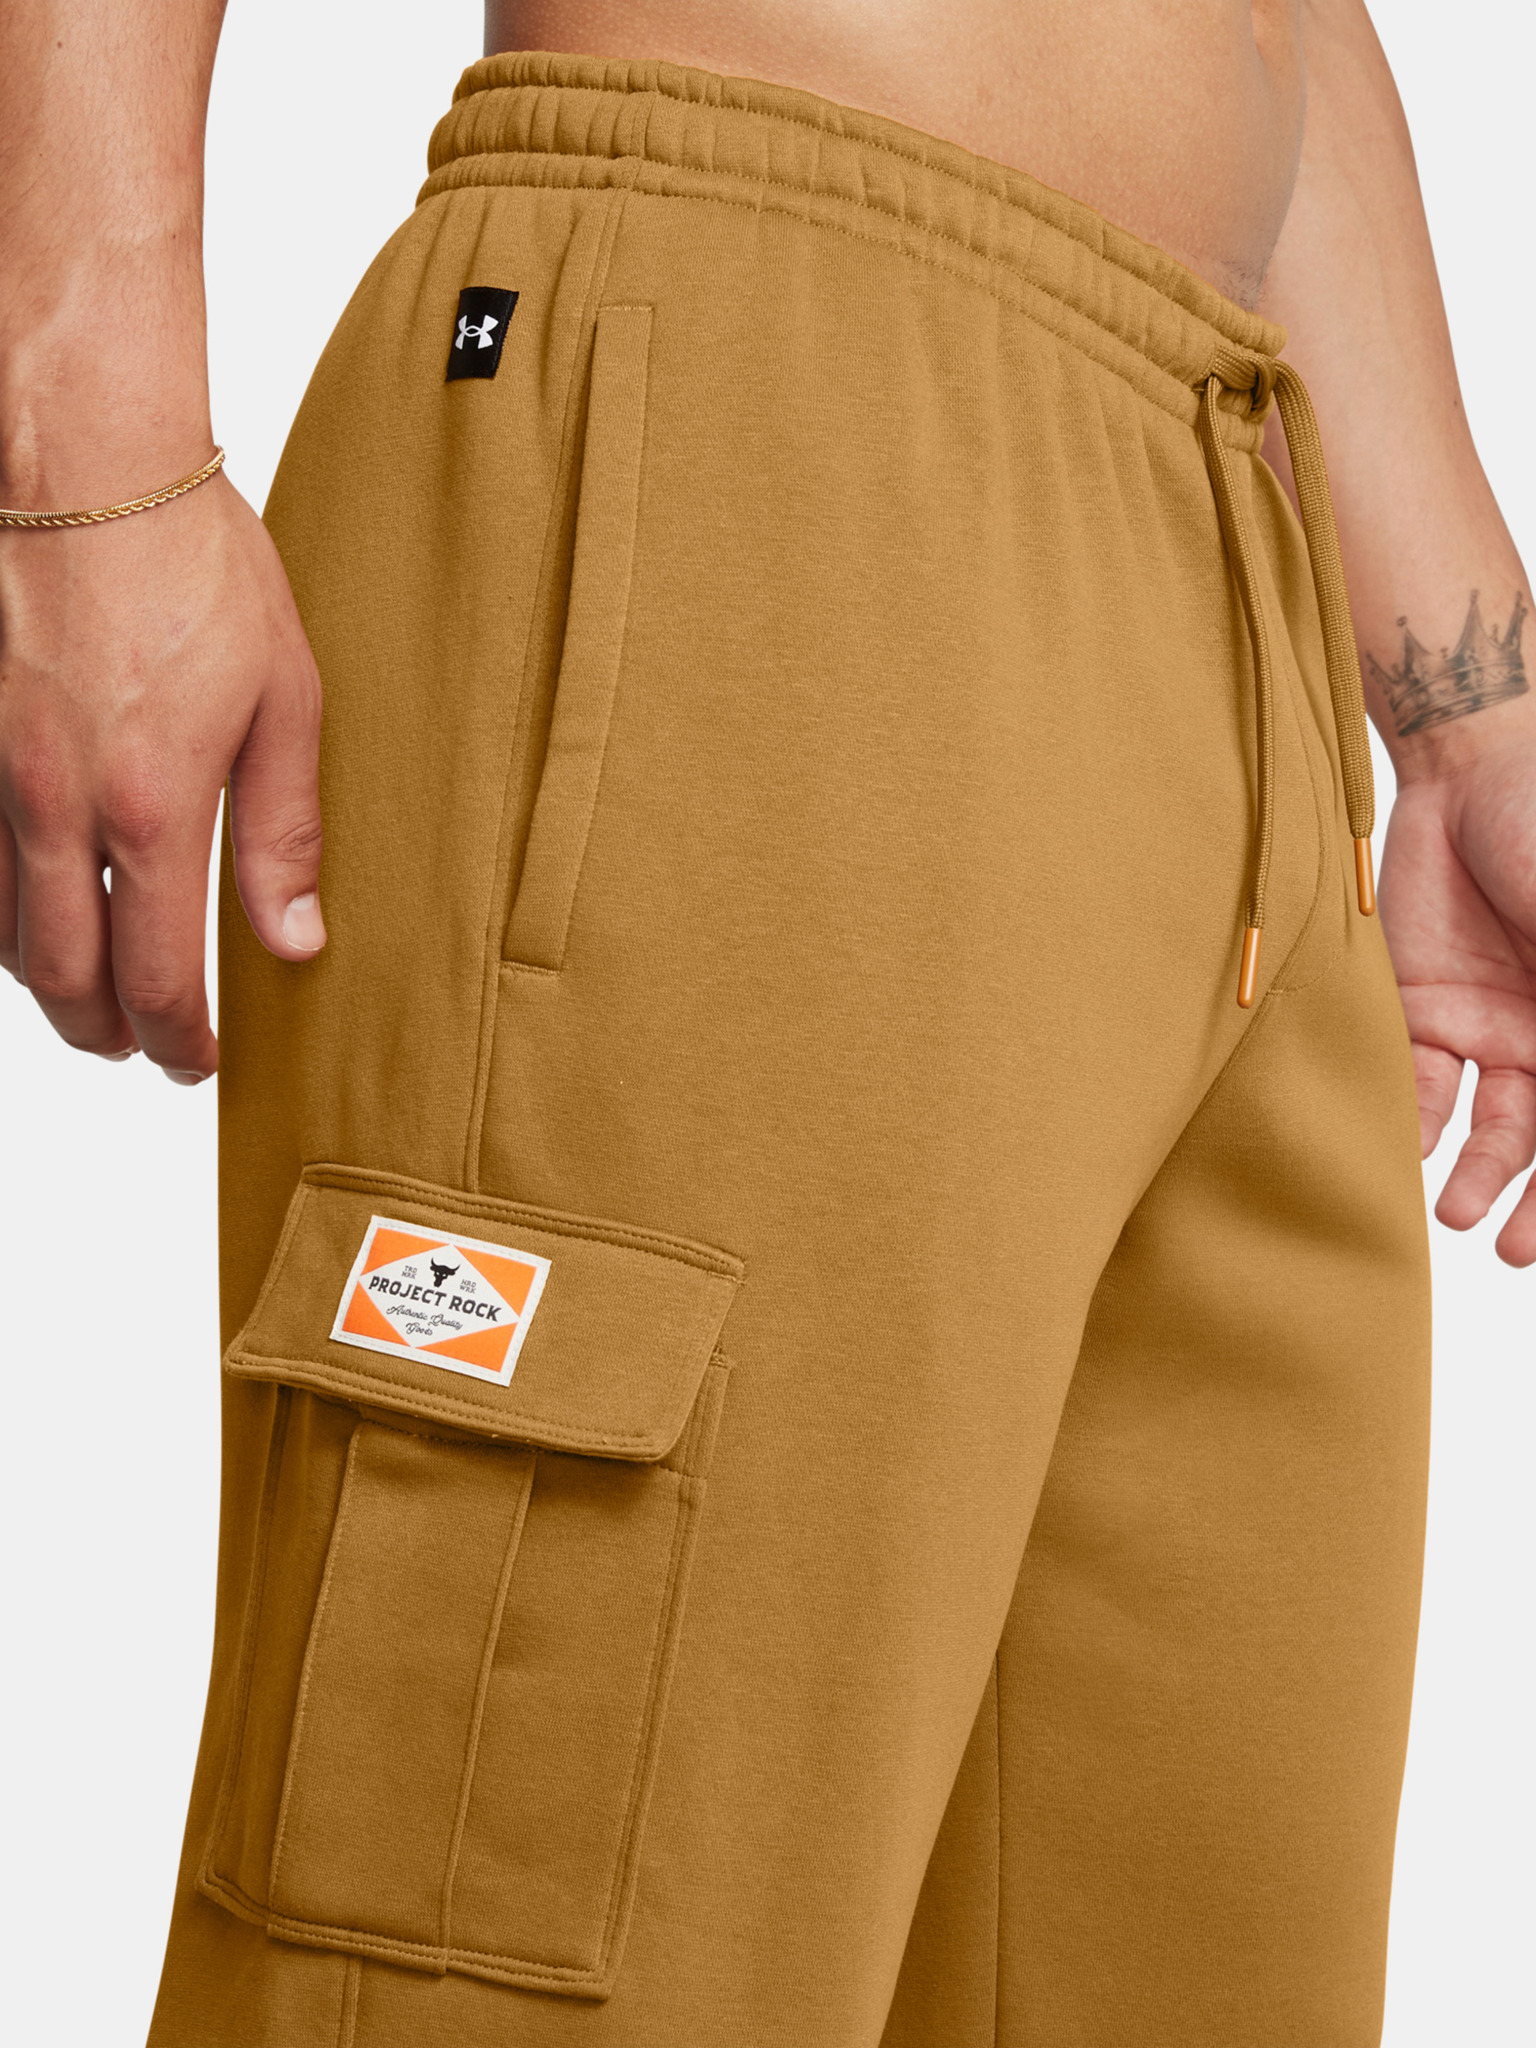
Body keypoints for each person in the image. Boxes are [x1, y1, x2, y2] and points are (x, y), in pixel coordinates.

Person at [1, 2, 1530, 2043]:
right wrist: (82, 439)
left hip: (1232, 542)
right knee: (526, 1965)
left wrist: (1473, 717)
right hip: (746, 396)